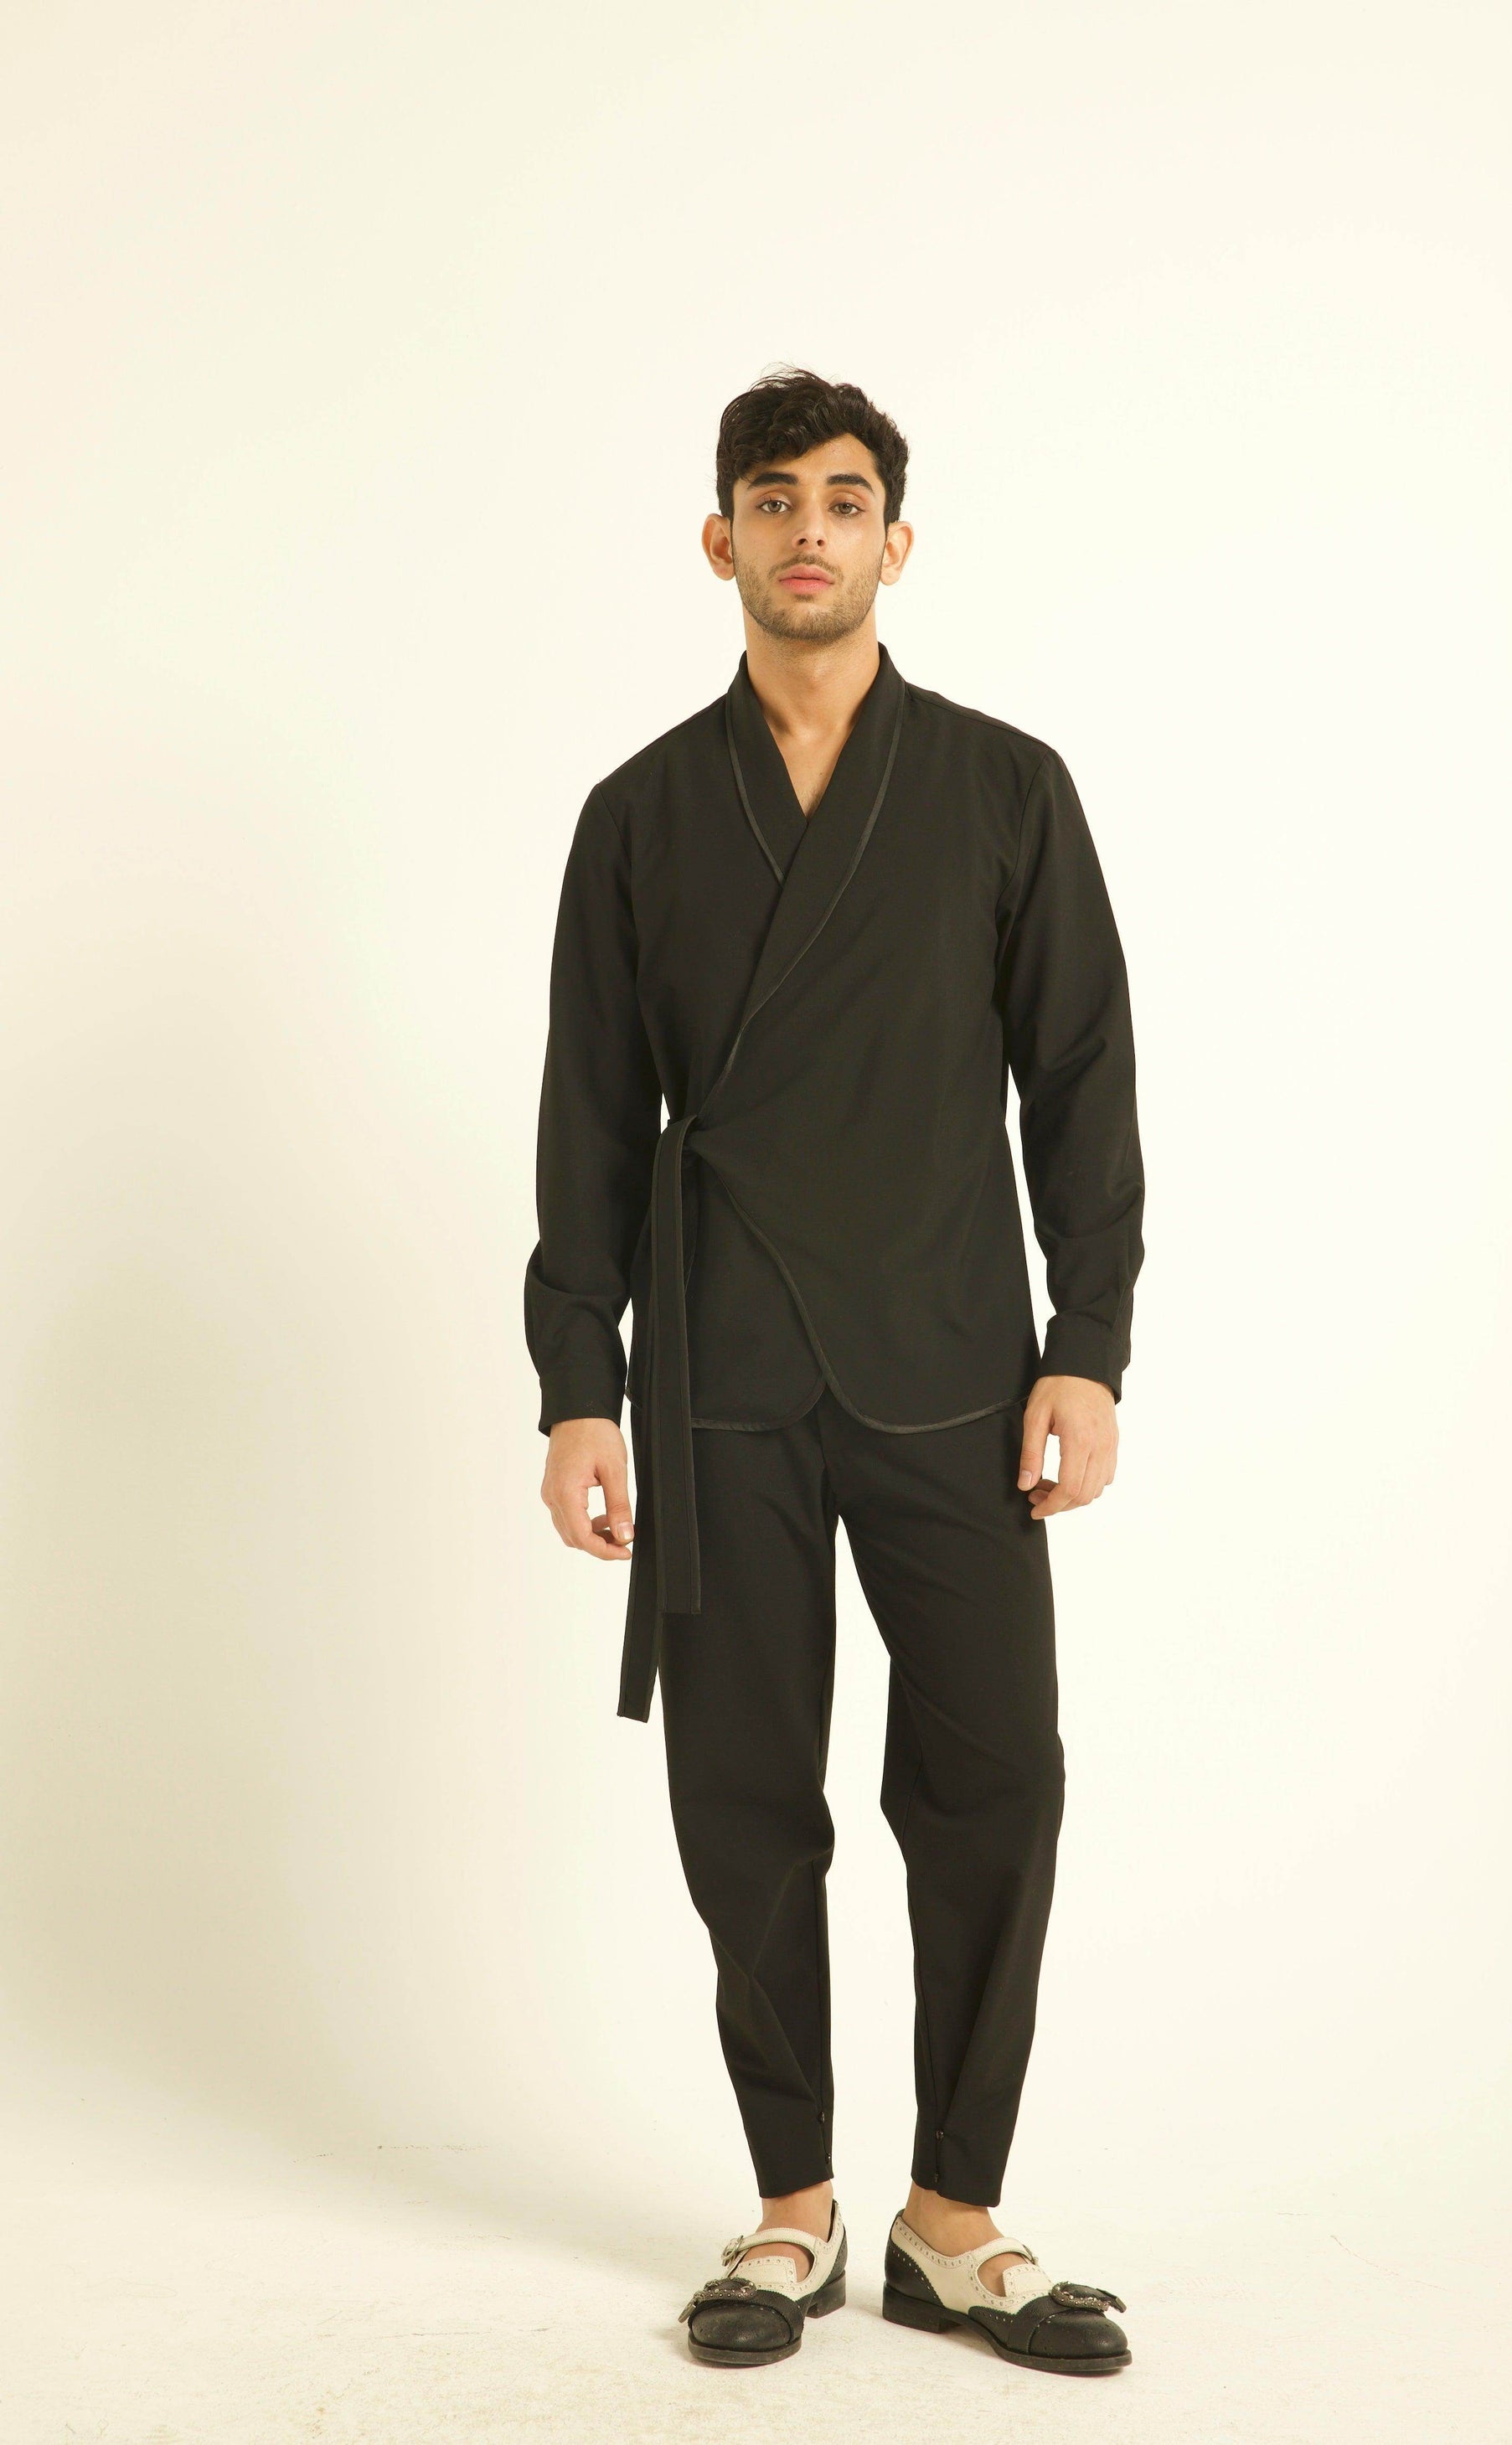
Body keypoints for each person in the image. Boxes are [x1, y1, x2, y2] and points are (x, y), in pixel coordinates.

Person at [524, 367, 1143, 2376]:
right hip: (717, 1369)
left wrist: (1086, 1347)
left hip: (956, 1357)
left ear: (897, 539)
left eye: (846, 496)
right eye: (774, 496)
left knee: (997, 1774)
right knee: (741, 1791)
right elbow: (590, 1121)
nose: (810, 527)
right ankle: (790, 2205)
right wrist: (578, 1380)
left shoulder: (1003, 787)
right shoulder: (638, 814)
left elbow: (1079, 1077)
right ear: (720, 539)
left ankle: (952, 2213)